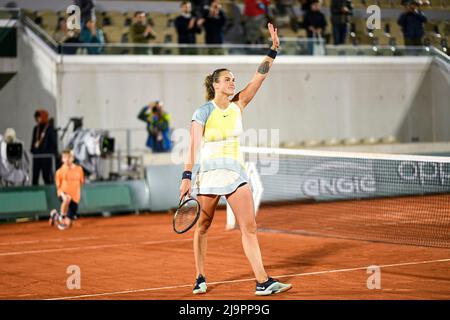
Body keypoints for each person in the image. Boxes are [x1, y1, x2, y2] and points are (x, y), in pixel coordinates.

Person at [180, 23, 292, 296]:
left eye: (233, 79)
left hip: (235, 175)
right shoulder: (203, 111)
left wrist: (273, 51)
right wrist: (186, 177)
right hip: (208, 175)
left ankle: (262, 281)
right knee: (203, 226)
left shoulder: (238, 104)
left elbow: (259, 77)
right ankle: (199, 276)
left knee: (249, 228)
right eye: (228, 79)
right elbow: (193, 144)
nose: (233, 82)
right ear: (216, 85)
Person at [50, 149, 84, 230]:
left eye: (69, 157)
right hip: (63, 194)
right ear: (62, 159)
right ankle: (61, 218)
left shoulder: (79, 169)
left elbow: (81, 182)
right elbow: (59, 186)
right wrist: (63, 195)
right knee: (66, 199)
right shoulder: (59, 171)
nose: (67, 159)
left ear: (73, 158)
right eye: (65, 157)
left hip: (75, 198)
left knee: (68, 224)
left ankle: (55, 215)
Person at [31, 109, 58, 185]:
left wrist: (50, 152)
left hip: (46, 157)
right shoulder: (36, 129)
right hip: (37, 157)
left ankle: (49, 194)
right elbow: (33, 142)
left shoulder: (49, 129)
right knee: (35, 177)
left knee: (46, 176)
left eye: (38, 117)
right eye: (36, 117)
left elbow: (53, 144)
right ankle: (34, 194)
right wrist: (34, 150)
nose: (37, 119)